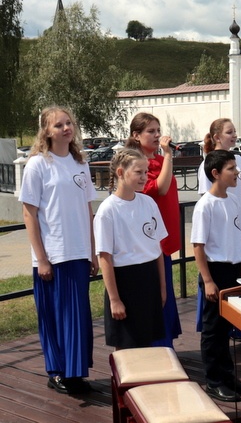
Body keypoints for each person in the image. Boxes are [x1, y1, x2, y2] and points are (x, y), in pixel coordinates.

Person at [20, 106, 96, 395]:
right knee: (55, 316)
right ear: (46, 132)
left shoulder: (80, 163)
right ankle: (57, 372)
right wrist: (41, 258)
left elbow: (88, 210)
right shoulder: (38, 165)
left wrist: (92, 251)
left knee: (78, 316)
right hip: (53, 254)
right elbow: (29, 214)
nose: (66, 128)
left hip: (78, 252)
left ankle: (75, 373)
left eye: (68, 123)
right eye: (58, 125)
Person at [191, 150, 241, 403]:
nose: (237, 172)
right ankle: (214, 381)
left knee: (226, 327)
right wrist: (208, 280)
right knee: (213, 329)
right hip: (215, 271)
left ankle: (228, 376)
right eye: (231, 168)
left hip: (232, 270)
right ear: (215, 173)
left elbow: (237, 236)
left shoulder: (233, 201)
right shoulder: (205, 205)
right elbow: (198, 245)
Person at [94, 148, 167, 350]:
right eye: (138, 172)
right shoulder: (108, 210)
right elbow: (105, 257)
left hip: (149, 278)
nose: (144, 177)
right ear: (120, 173)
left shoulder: (148, 203)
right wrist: (114, 299)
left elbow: (157, 249)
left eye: (146, 172)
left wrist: (162, 288)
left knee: (147, 343)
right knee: (126, 346)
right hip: (125, 282)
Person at [125, 112, 182, 347]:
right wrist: (168, 155)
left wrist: (165, 157)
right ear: (136, 135)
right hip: (149, 237)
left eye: (158, 130)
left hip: (164, 233)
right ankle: (157, 345)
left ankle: (166, 342)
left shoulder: (159, 160)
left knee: (165, 289)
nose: (157, 135)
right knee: (156, 292)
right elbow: (160, 188)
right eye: (151, 131)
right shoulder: (138, 164)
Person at [198, 118, 241, 276]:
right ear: (217, 137)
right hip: (222, 233)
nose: (234, 135)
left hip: (240, 228)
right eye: (229, 132)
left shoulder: (238, 159)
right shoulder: (209, 164)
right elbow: (207, 200)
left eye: (235, 131)